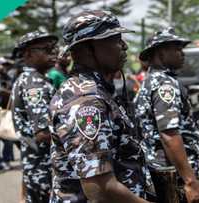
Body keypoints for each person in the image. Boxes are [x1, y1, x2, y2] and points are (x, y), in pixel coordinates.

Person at [49, 10, 149, 203]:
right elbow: (100, 189)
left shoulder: (100, 90)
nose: (125, 46)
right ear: (87, 49)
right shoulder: (85, 100)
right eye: (115, 39)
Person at [134, 27, 199, 203]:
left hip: (161, 168)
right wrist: (190, 182)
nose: (182, 53)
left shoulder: (151, 80)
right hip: (171, 172)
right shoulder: (165, 84)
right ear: (160, 52)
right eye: (177, 48)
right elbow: (169, 134)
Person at [11, 30, 59, 203]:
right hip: (43, 167)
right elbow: (43, 133)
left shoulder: (31, 79)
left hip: (36, 164)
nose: (53, 52)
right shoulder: (35, 84)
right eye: (46, 49)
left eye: (54, 48)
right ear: (29, 53)